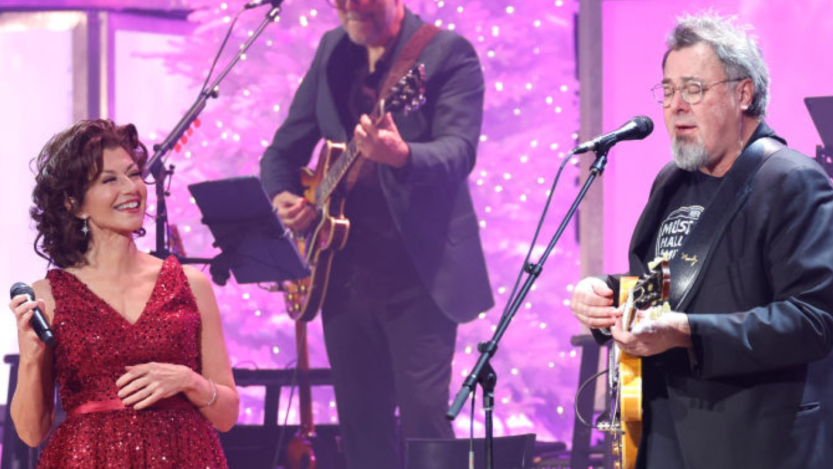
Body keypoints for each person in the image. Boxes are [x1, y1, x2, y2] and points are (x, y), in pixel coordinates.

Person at [570, 13, 833, 469]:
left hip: (755, 438)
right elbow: (662, 285)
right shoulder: (672, 181)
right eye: (668, 90)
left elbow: (813, 320)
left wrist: (688, 333)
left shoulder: (793, 181)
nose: (675, 105)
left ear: (743, 94)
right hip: (665, 433)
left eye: (693, 89)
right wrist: (607, 295)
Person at [259, 0, 493, 467]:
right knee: (362, 430)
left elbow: (458, 152)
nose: (348, 8)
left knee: (425, 424)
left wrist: (402, 154)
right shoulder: (332, 49)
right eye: (338, 1)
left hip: (417, 279)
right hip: (340, 276)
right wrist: (286, 196)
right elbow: (282, 152)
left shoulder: (447, 53)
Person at [9, 119, 239, 468]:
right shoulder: (49, 297)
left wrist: (187, 380)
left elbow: (226, 415)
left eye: (133, 174)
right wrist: (29, 358)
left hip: (185, 456)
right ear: (75, 204)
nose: (131, 188)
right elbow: (30, 433)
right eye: (109, 180)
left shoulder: (190, 284)